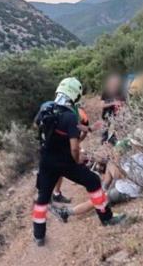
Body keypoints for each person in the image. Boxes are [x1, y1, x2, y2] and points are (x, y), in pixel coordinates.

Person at [32, 77, 123, 246]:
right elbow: (74, 148)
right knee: (93, 181)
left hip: (46, 161)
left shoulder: (46, 107)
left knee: (42, 197)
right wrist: (77, 160)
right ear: (74, 95)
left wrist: (85, 129)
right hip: (65, 161)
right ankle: (106, 218)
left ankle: (38, 236)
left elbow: (38, 124)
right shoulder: (69, 116)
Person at [52, 136, 143, 222]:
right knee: (110, 165)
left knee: (96, 200)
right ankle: (103, 189)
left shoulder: (138, 159)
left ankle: (66, 212)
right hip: (128, 185)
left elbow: (119, 175)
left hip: (127, 191)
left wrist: (115, 159)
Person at [101, 74, 126, 146]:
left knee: (116, 135)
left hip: (117, 117)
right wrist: (113, 103)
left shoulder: (121, 92)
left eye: (116, 82)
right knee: (106, 134)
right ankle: (104, 147)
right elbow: (101, 105)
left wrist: (120, 105)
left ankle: (115, 146)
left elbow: (124, 103)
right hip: (107, 116)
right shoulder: (106, 92)